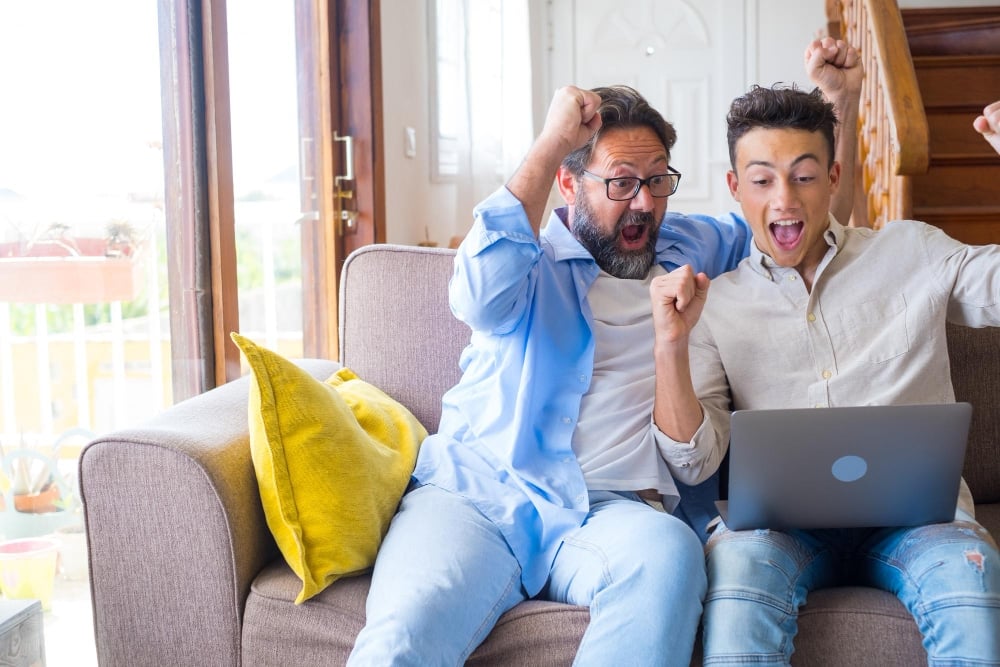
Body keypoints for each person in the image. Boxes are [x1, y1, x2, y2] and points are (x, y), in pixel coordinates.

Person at [347, 39, 861, 666]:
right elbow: (475, 297)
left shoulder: (692, 247)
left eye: (656, 180)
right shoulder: (522, 261)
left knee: (669, 558)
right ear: (568, 181)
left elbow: (807, 222)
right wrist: (550, 142)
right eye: (620, 182)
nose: (644, 202)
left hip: (616, 515)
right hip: (479, 498)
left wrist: (841, 102)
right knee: (404, 634)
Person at [654, 88, 1000, 665]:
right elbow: (694, 460)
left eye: (804, 176)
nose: (784, 199)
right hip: (782, 532)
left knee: (969, 574)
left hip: (923, 521)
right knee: (736, 564)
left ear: (834, 177)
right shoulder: (715, 305)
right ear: (735, 187)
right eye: (762, 180)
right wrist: (670, 345)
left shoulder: (913, 251)